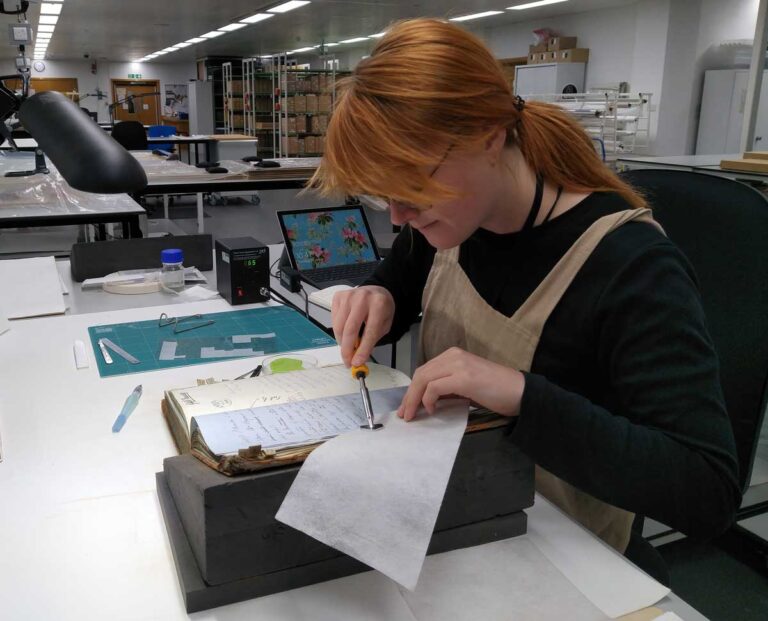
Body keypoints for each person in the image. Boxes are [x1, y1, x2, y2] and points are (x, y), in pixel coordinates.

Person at [309, 18, 740, 584]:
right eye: (381, 193)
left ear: (489, 135)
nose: (397, 216)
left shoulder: (628, 265)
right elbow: (402, 278)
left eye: (412, 185)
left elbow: (706, 489)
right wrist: (380, 295)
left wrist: (521, 396)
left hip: (567, 560)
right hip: (455, 524)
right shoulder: (445, 218)